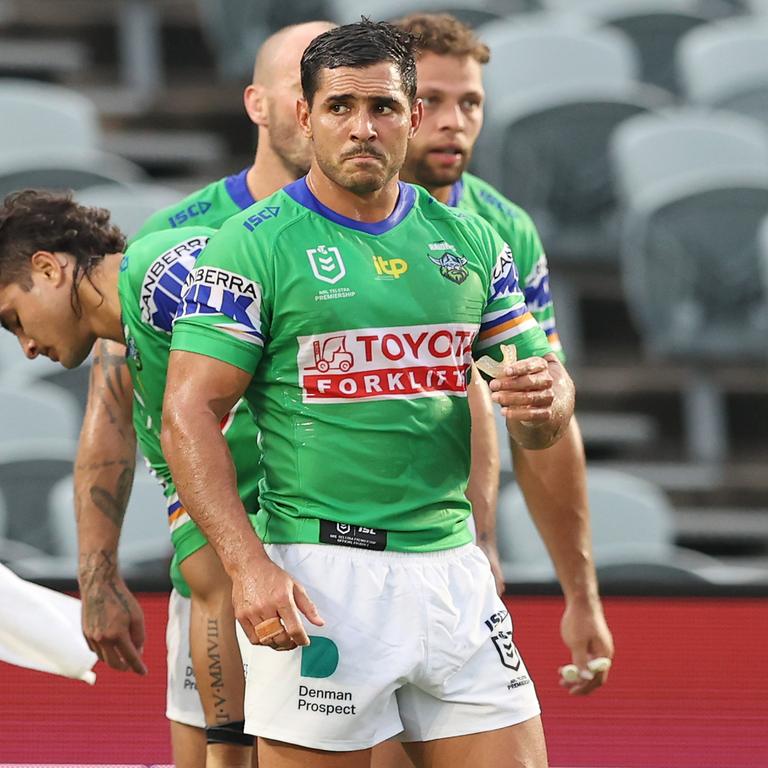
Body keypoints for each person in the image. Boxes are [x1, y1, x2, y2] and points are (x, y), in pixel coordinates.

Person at [162, 20, 574, 768]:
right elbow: (188, 413)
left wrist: (550, 403)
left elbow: (539, 410)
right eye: (340, 108)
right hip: (321, 576)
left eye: (383, 107)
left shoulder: (474, 242)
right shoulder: (250, 244)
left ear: (411, 118)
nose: (363, 127)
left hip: (452, 573)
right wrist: (249, 565)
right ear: (304, 116)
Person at [74, 20, 333, 768]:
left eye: (339, 95)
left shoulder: (392, 233)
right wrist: (99, 576)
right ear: (257, 103)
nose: (322, 111)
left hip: (348, 563)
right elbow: (114, 409)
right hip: (223, 565)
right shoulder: (177, 237)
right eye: (303, 92)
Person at [0, 197, 262, 767]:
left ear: (49, 269)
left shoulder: (163, 273)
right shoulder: (137, 354)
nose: (25, 346)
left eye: (15, 318)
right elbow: (206, 569)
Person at [396, 12, 614, 696]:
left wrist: (581, 592)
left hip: (446, 553)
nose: (453, 121)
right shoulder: (296, 226)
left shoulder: (502, 230)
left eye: (471, 103)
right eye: (430, 100)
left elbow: (538, 411)